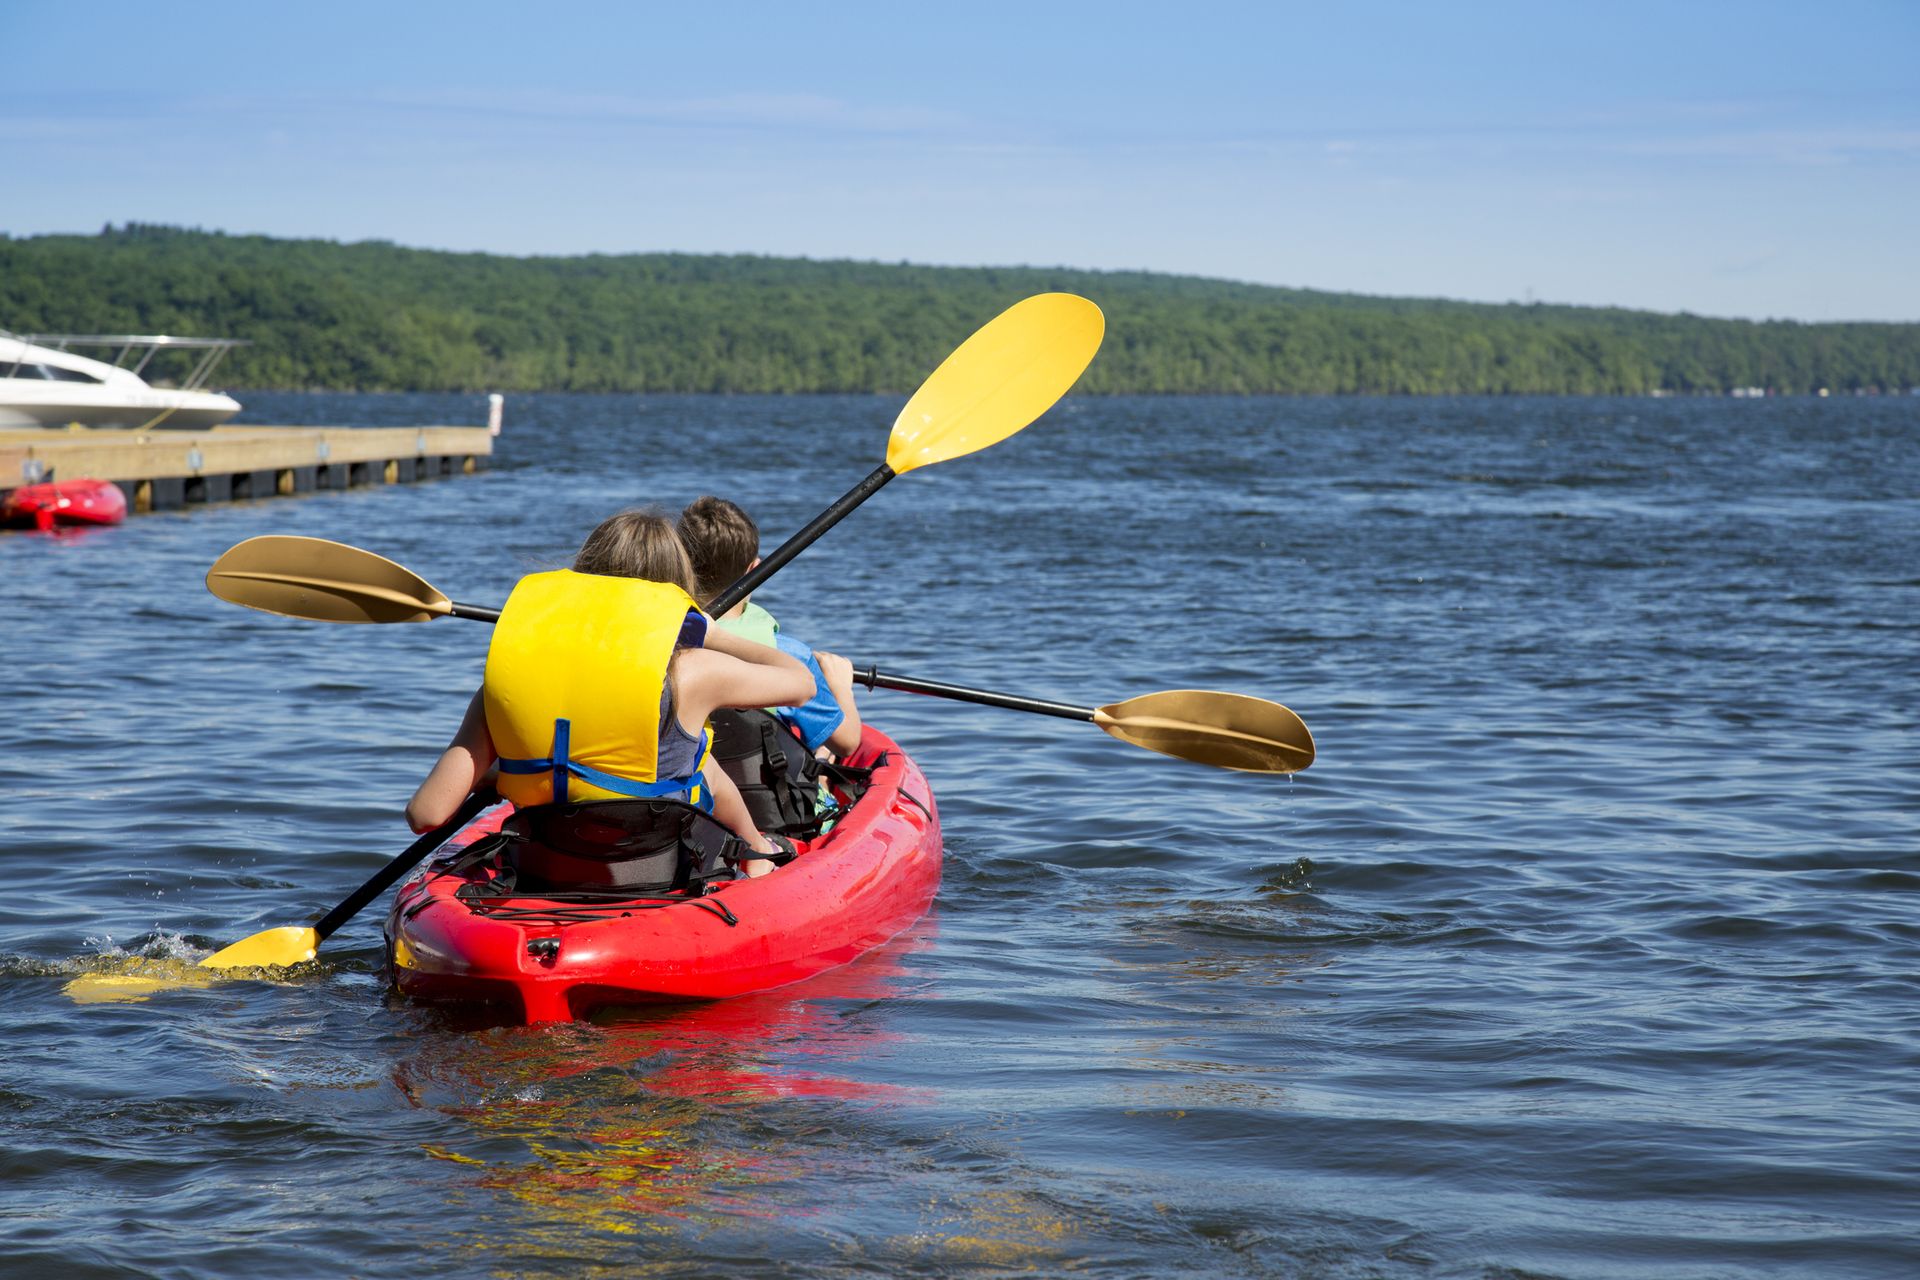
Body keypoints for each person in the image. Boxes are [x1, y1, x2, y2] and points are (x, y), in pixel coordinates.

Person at [405, 508, 815, 880]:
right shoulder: (693, 673)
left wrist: (499, 775)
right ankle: (757, 851)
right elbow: (801, 683)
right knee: (698, 760)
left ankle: (756, 848)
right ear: (676, 590)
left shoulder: (505, 683)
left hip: (542, 871)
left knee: (700, 759)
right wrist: (711, 634)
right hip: (659, 875)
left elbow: (426, 814)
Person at [676, 496, 864, 834]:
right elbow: (848, 742)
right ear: (754, 570)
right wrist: (841, 688)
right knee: (826, 752)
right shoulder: (789, 657)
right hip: (770, 815)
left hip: (688, 810)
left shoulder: (659, 646)